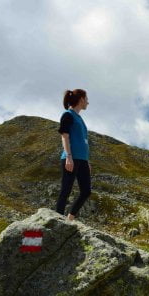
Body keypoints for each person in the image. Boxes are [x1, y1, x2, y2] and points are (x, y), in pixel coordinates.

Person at [55, 89, 92, 221]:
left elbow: (83, 140)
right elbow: (64, 137)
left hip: (82, 159)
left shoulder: (79, 118)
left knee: (86, 191)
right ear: (81, 99)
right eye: (86, 99)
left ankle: (69, 219)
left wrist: (87, 160)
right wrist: (68, 157)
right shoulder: (68, 114)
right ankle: (57, 220)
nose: (88, 102)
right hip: (71, 157)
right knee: (66, 190)